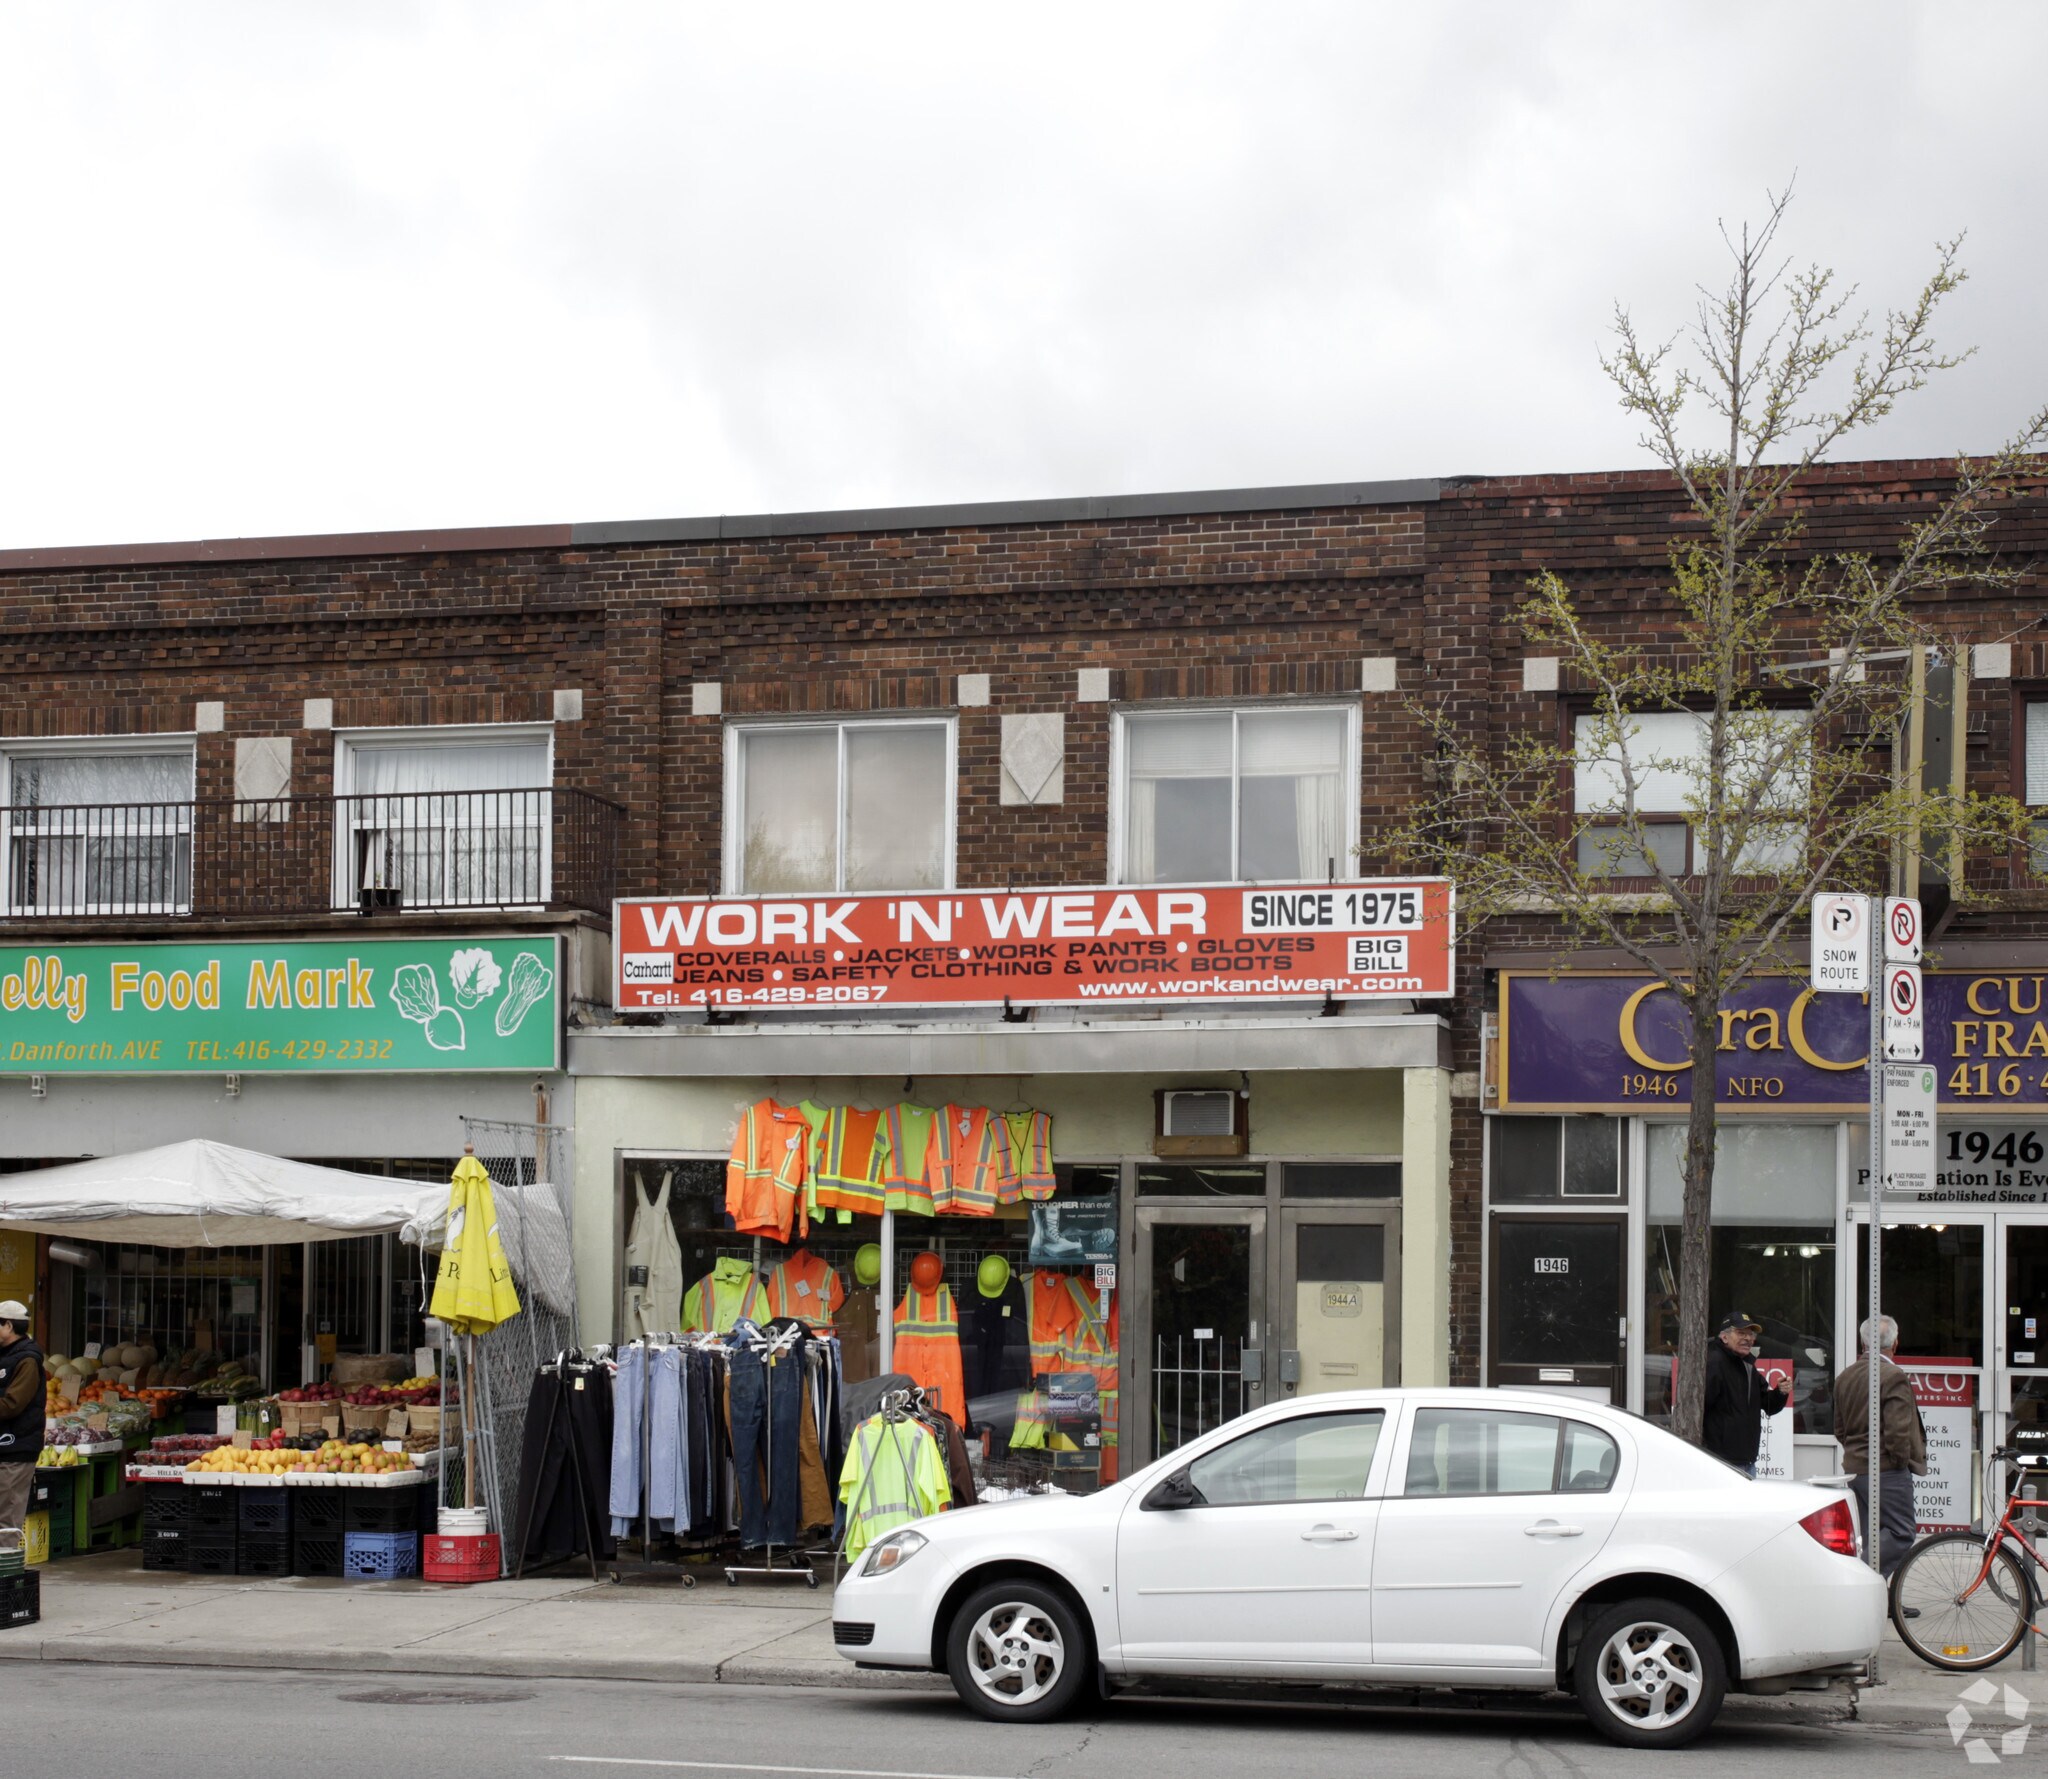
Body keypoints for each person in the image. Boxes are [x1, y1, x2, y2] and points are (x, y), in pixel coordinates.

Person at [1833, 1313, 1926, 1578]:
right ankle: (1858, 1580)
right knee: (1900, 1532)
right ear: (1895, 1343)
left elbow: (1839, 1429)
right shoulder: (1893, 1375)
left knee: (1867, 1536)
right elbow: (1898, 1431)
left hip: (1856, 1468)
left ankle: (1874, 1596)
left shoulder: (1846, 1376)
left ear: (1863, 1344)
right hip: (1886, 1469)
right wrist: (1899, 1462)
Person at [1700, 1308, 1788, 1476]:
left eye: (1751, 1335)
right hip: (1721, 1463)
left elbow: (1768, 1405)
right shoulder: (1714, 1363)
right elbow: (1700, 1410)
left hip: (1747, 1462)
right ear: (1724, 1337)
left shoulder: (1748, 1366)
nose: (1748, 1338)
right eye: (1741, 1333)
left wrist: (1780, 1392)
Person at [0, 1300, 46, 1534]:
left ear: (8, 1325)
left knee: (6, 1515)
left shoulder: (27, 1360)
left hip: (16, 1448)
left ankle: (6, 1567)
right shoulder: (6, 1355)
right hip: (4, 1445)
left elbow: (12, 1404)